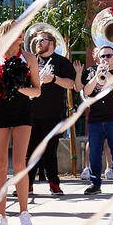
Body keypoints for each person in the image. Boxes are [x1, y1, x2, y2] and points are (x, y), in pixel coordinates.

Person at [0, 22, 42, 225]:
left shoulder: (29, 58)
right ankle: (1, 217)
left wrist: (18, 87)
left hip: (22, 111)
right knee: (0, 164)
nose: (17, 35)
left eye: (20, 32)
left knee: (20, 162)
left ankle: (24, 214)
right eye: (12, 31)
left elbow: (37, 91)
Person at [29, 30, 79, 196]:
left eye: (41, 40)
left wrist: (54, 79)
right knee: (30, 152)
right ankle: (27, 185)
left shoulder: (61, 61)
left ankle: (54, 184)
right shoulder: (31, 60)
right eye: (36, 40)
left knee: (50, 152)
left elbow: (71, 84)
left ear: (51, 42)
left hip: (53, 114)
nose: (38, 43)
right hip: (31, 114)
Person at [82, 44, 113, 196]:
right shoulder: (91, 71)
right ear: (98, 58)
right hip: (95, 119)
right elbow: (87, 91)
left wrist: (109, 76)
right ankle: (95, 184)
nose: (105, 59)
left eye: (108, 56)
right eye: (103, 56)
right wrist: (97, 76)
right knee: (94, 153)